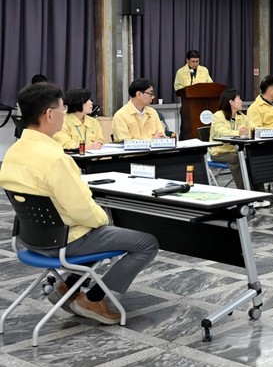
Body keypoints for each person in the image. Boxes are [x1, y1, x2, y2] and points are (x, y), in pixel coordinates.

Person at [0, 83, 158, 324]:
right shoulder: (55, 158)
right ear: (49, 114)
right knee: (146, 243)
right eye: (62, 108)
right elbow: (82, 210)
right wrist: (103, 219)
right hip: (64, 241)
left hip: (30, 239)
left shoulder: (13, 152)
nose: (65, 112)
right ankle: (94, 298)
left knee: (94, 232)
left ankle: (68, 287)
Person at [208, 89, 269, 206]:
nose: (241, 101)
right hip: (220, 152)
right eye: (239, 99)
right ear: (231, 102)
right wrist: (238, 133)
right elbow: (222, 132)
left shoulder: (242, 117)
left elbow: (254, 128)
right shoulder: (217, 116)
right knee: (238, 159)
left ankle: (260, 196)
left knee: (251, 159)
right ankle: (246, 197)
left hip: (236, 151)